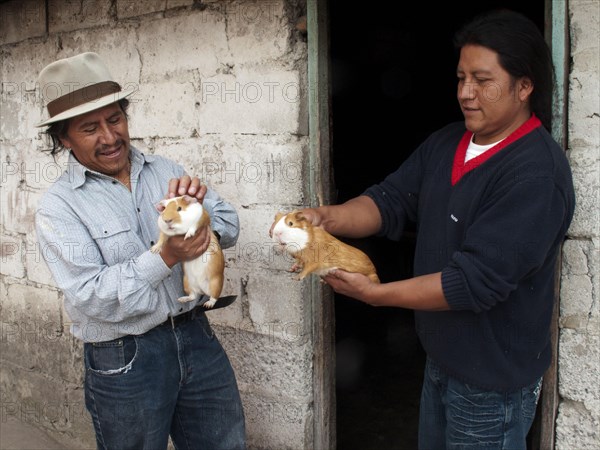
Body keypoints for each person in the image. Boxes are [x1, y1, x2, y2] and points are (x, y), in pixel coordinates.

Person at [296, 10, 575, 449]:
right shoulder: (448, 142)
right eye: (461, 77)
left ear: (524, 86)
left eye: (483, 80)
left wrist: (374, 295)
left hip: (492, 385)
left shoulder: (535, 175)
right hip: (442, 360)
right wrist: (326, 217)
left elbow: (471, 283)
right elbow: (389, 201)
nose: (466, 92)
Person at [34, 52, 246, 449]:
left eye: (115, 119)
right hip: (123, 357)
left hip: (196, 336)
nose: (110, 137)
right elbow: (89, 295)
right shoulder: (58, 207)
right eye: (89, 128)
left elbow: (230, 227)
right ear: (63, 138)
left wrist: (202, 221)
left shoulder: (166, 169)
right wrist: (167, 255)